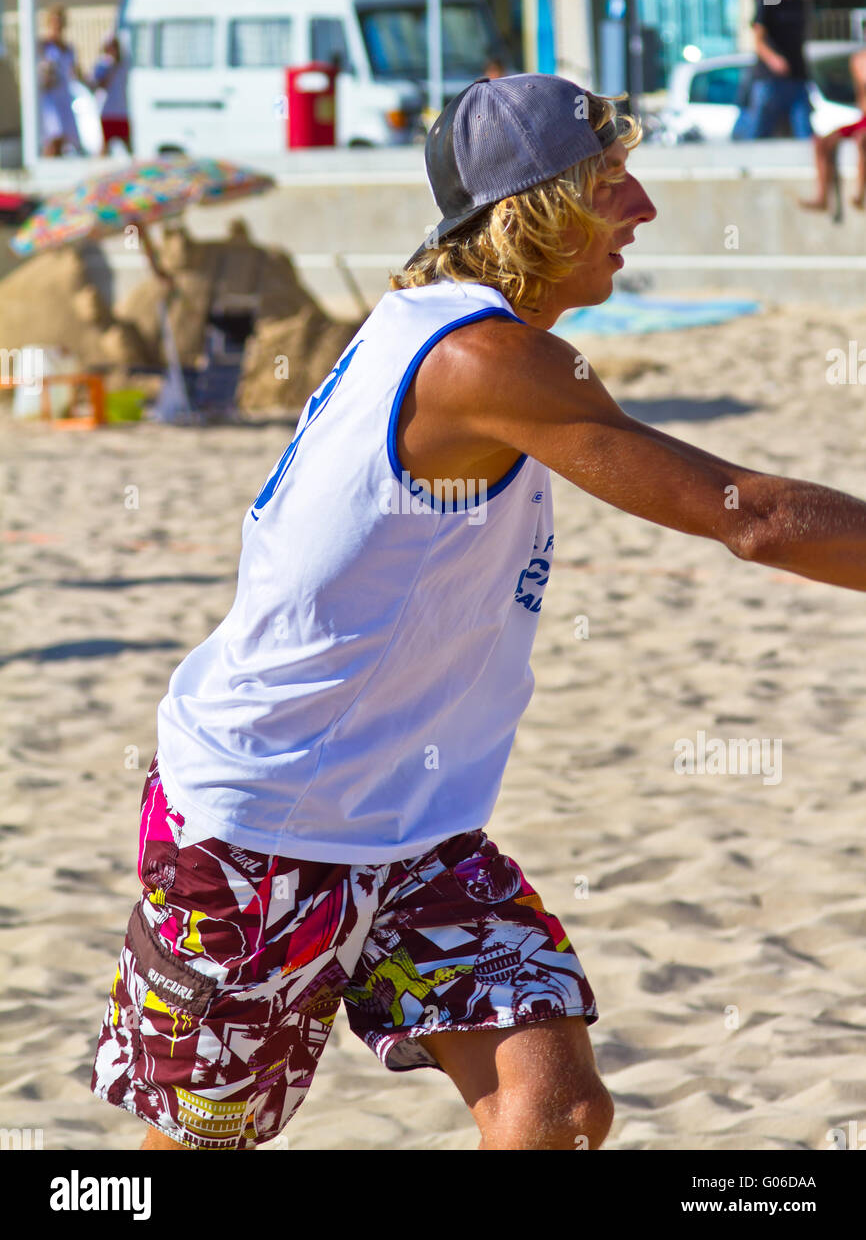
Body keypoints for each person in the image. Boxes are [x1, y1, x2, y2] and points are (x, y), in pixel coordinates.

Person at [91, 73, 866, 1152]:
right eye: (608, 184)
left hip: (412, 831)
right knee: (209, 1143)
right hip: (256, 826)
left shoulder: (444, 323)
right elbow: (755, 518)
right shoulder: (479, 358)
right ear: (527, 214)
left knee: (557, 1109)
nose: (639, 207)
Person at [735, 0, 812, 140]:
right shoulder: (767, 2)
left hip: (797, 76)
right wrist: (774, 59)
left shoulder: (800, 3)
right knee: (759, 129)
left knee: (805, 130)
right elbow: (758, 41)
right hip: (769, 79)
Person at [799, 47, 866, 212]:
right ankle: (822, 198)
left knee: (862, 140)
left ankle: (859, 194)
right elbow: (860, 95)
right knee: (822, 142)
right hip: (863, 119)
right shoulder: (858, 60)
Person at [37, 5, 85, 157]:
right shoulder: (44, 45)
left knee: (66, 137)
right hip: (50, 97)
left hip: (64, 95)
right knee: (53, 136)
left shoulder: (68, 47)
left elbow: (75, 71)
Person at [91, 33, 131, 155]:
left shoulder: (124, 64)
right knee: (105, 144)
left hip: (122, 111)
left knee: (128, 143)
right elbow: (98, 84)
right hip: (107, 111)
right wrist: (110, 68)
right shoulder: (103, 64)